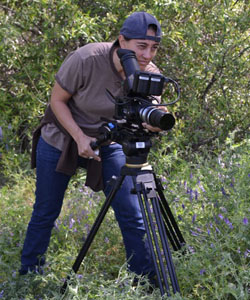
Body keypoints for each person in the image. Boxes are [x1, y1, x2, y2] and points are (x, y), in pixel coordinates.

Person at [19, 11, 165, 284]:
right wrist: (78, 137)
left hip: (109, 142)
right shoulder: (86, 59)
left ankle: (143, 282)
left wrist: (156, 120)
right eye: (141, 46)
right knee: (45, 212)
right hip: (61, 137)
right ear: (122, 41)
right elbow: (57, 101)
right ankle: (28, 277)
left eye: (154, 48)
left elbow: (154, 108)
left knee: (132, 214)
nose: (147, 55)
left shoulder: (148, 73)